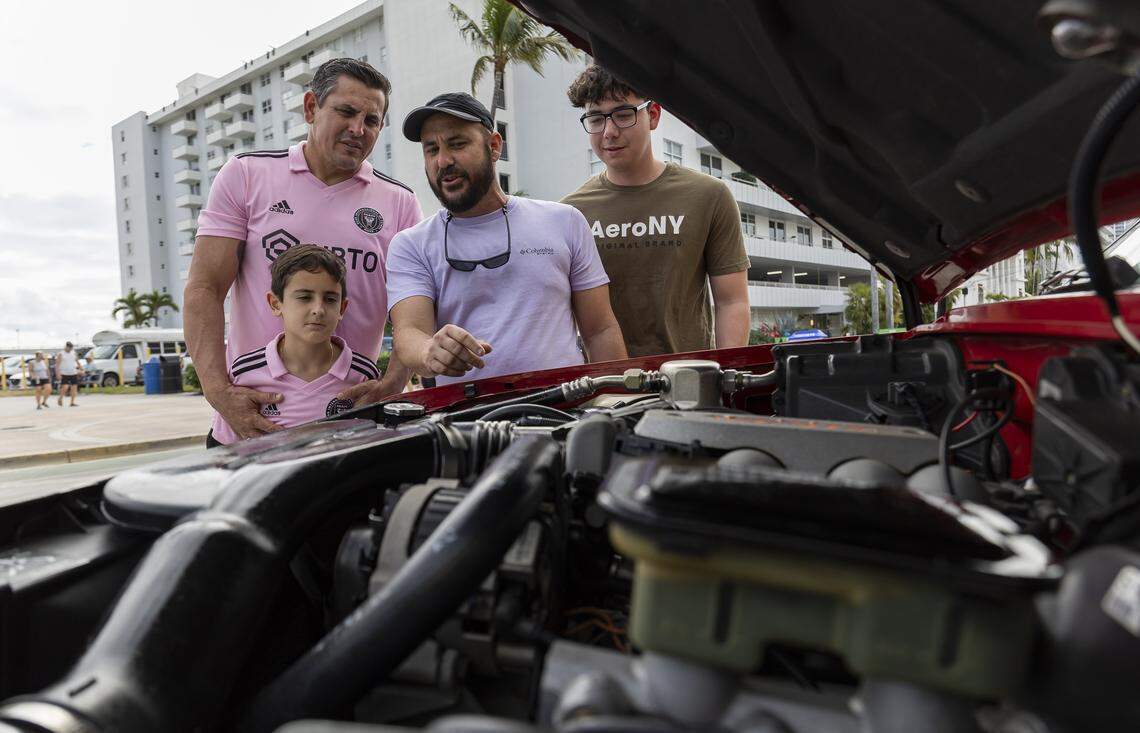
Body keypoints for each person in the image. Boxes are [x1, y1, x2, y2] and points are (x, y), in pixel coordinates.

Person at [186, 57, 421, 444]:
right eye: (346, 112)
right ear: (311, 107)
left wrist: (394, 381)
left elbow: (415, 306)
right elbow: (204, 288)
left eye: (372, 120)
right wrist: (218, 392)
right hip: (250, 429)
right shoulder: (247, 175)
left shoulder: (400, 202)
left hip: (351, 432)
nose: (358, 129)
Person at [386, 93, 627, 383]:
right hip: (462, 422)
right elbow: (409, 333)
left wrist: (618, 401)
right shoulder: (411, 245)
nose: (443, 160)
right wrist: (429, 351)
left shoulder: (565, 221)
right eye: (431, 149)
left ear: (494, 146)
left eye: (457, 144)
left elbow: (600, 330)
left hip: (564, 413)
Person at [561, 65, 752, 357]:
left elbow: (732, 301)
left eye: (623, 115)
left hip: (691, 384)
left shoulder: (709, 196)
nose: (609, 132)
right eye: (596, 119)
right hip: (606, 390)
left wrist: (729, 374)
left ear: (652, 115)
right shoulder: (571, 213)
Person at [208, 245, 373, 446]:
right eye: (304, 297)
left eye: (330, 299)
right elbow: (225, 451)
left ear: (342, 308)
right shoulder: (244, 373)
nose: (318, 309)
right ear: (276, 304)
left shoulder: (364, 375)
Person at [55, 342, 83, 407]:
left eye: (71, 348)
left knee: (74, 388)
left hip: (73, 372)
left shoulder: (73, 353)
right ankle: (60, 398)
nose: (70, 349)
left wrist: (81, 369)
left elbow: (77, 362)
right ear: (66, 346)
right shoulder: (61, 354)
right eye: (69, 348)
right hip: (64, 373)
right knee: (65, 387)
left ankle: (72, 402)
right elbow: (57, 365)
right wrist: (58, 373)